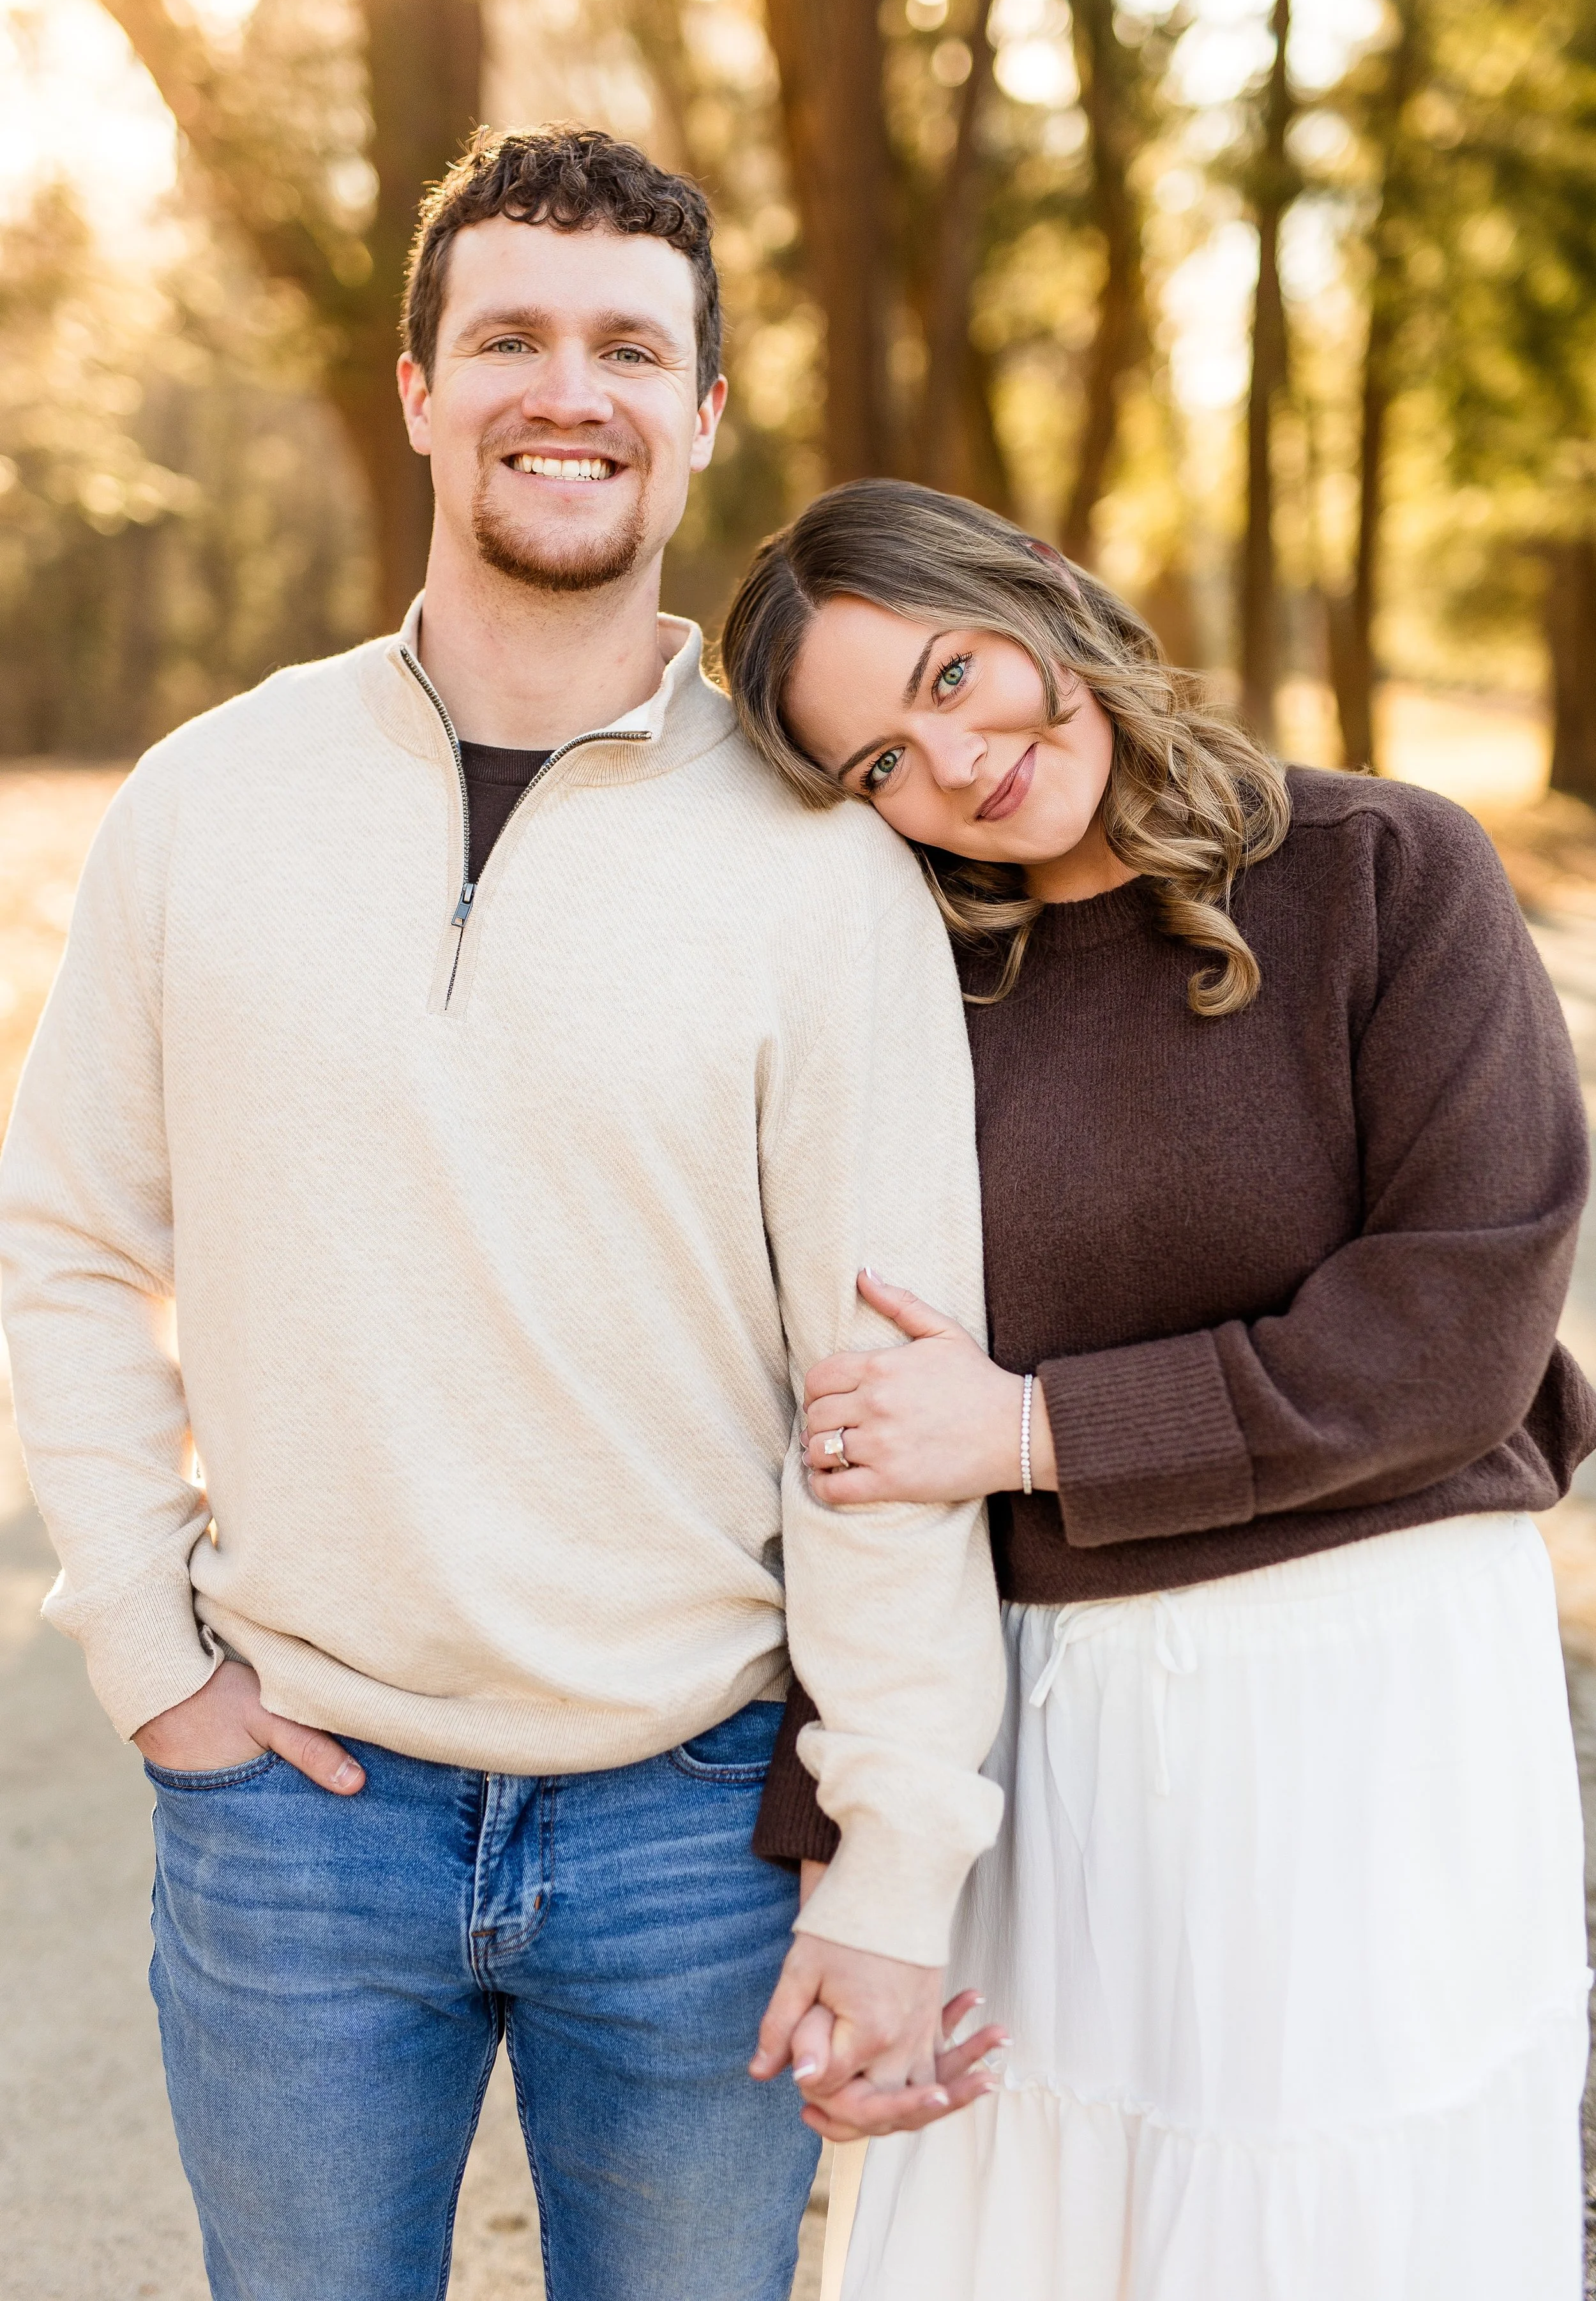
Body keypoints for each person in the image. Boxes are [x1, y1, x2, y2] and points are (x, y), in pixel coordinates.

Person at [0, 140, 1010, 2301]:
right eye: (514, 338)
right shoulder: (211, 797)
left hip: (694, 1823)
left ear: (706, 412)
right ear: (419, 389)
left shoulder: (820, 867)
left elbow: (888, 1386)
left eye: (632, 344)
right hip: (294, 1815)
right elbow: (68, 1234)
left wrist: (892, 1861)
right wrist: (151, 1650)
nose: (575, 389)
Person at [720, 476, 1596, 2301]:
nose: (954, 761)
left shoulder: (1383, 871)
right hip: (1062, 1736)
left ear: (1042, 597)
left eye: (956, 673)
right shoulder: (913, 1001)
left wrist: (1038, 1426)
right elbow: (852, 1437)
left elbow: (1456, 1332)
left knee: (1334, 2225)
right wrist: (848, 1864)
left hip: (1374, 1705)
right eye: (878, 760)